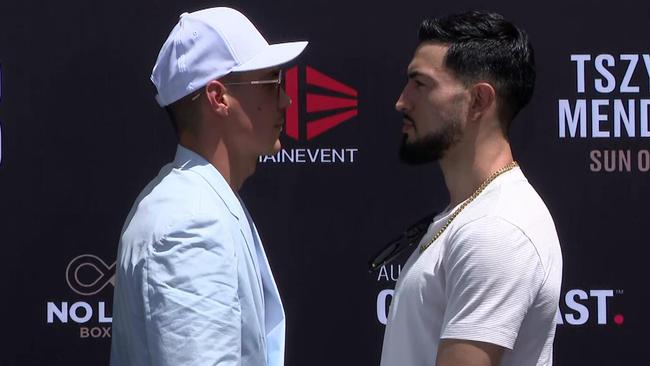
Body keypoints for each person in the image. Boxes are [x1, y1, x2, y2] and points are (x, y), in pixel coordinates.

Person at [110, 7, 307, 366]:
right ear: (218, 98)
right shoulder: (191, 222)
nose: (286, 100)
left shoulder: (196, 203)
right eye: (271, 82)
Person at [380, 11, 562, 366]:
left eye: (420, 83)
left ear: (478, 101)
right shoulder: (473, 214)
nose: (401, 101)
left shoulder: (497, 229)